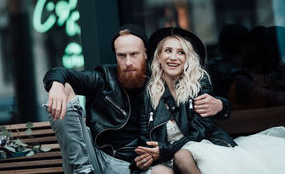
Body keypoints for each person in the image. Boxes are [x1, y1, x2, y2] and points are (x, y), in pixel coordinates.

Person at [43, 24, 230, 174]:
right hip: (98, 158)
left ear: (147, 54)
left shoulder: (158, 80)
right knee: (65, 87)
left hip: (136, 163)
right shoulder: (103, 78)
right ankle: (83, 171)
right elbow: (60, 72)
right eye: (121, 56)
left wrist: (221, 104)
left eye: (134, 54)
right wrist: (56, 84)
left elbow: (190, 91)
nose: (128, 62)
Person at [135, 27, 285, 174]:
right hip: (165, 155)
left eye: (181, 52)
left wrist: (166, 150)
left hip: (200, 149)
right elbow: (145, 135)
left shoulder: (199, 84)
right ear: (159, 56)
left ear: (188, 59)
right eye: (168, 51)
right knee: (158, 172)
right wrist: (146, 156)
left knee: (182, 156)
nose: (174, 57)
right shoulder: (148, 94)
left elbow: (200, 131)